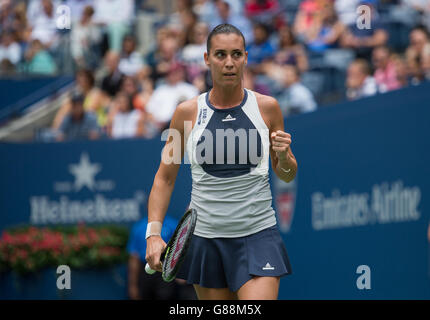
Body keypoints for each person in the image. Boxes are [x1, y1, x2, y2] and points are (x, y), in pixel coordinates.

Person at [145, 24, 297, 300]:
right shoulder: (186, 114)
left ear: (246, 57)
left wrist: (284, 156)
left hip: (258, 234)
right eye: (221, 55)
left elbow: (286, 174)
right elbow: (165, 177)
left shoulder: (267, 108)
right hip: (206, 240)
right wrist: (153, 234)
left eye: (237, 54)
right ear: (207, 59)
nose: (229, 63)